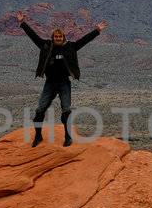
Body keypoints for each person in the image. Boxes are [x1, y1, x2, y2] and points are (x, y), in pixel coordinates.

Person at [17, 11, 106, 146]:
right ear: (53, 37)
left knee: (66, 109)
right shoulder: (46, 46)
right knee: (40, 110)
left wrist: (97, 31)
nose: (58, 37)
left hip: (64, 83)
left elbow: (84, 40)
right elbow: (33, 36)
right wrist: (22, 23)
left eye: (60, 36)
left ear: (63, 37)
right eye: (56, 36)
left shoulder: (70, 47)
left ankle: (68, 137)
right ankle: (38, 136)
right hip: (50, 83)